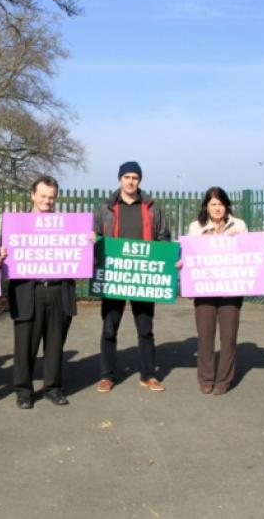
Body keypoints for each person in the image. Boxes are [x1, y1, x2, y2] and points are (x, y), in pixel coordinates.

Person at [94, 161, 170, 393]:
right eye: (126, 176)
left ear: (139, 180)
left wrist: (164, 259)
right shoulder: (106, 207)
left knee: (145, 329)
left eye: (134, 177)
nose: (130, 181)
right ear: (119, 179)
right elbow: (96, 236)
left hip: (143, 278)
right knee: (109, 329)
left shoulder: (152, 207)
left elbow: (164, 238)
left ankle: (149, 375)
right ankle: (107, 376)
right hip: (113, 276)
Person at [4, 176, 78, 409]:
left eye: (51, 197)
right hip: (29, 290)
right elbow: (2, 253)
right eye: (43, 196)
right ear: (33, 195)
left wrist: (87, 242)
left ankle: (53, 388)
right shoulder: (17, 223)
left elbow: (80, 253)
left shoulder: (66, 226)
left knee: (55, 344)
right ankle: (23, 391)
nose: (47, 201)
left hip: (58, 289)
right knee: (25, 344)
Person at [187, 187, 248, 395]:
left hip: (231, 289)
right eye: (213, 204)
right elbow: (189, 254)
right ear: (206, 206)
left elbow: (249, 254)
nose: (217, 208)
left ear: (226, 205)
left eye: (220, 204)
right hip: (204, 289)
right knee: (205, 335)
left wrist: (238, 239)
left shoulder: (239, 225)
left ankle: (223, 380)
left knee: (228, 336)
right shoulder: (196, 227)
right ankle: (206, 378)